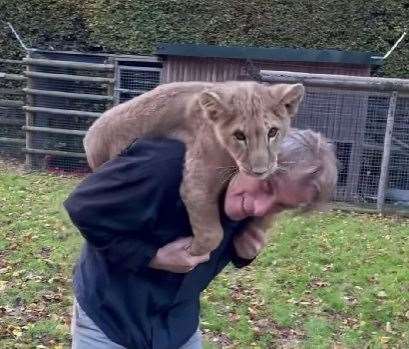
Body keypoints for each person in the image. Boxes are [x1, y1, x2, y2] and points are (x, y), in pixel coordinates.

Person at [64, 128, 337, 349]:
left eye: (281, 207)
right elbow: (83, 207)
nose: (260, 209)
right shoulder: (166, 163)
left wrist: (243, 253)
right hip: (111, 317)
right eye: (267, 186)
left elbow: (226, 244)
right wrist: (152, 257)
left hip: (176, 326)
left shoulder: (253, 202)